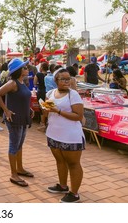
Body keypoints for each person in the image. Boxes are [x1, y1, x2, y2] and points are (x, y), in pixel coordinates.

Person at [44, 68, 84, 203]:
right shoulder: (50, 93)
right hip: (53, 133)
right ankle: (62, 186)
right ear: (56, 80)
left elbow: (78, 116)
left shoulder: (73, 95)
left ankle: (74, 193)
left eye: (69, 78)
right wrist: (44, 109)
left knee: (73, 164)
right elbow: (47, 114)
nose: (67, 81)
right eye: (63, 79)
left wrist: (58, 111)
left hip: (71, 136)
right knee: (60, 161)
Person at [0, 58, 34, 187]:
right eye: (25, 67)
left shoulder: (22, 82)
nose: (27, 69)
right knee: (14, 145)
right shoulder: (13, 83)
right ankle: (13, 174)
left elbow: (21, 98)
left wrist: (29, 109)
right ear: (19, 71)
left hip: (23, 117)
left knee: (19, 144)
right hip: (14, 118)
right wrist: (6, 110)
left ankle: (20, 168)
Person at [34, 62, 48, 127]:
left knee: (42, 107)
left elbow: (35, 82)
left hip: (41, 92)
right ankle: (47, 122)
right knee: (47, 107)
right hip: (48, 92)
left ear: (41, 67)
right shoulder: (49, 74)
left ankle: (42, 123)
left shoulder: (38, 74)